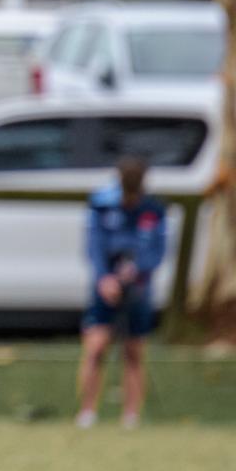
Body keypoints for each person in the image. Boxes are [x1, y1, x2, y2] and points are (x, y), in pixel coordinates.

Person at [75, 156, 167, 430]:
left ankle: (131, 415)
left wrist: (137, 269)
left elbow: (158, 251)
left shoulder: (154, 210)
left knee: (134, 351)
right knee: (96, 347)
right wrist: (105, 278)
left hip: (138, 289)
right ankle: (87, 412)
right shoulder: (102, 205)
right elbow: (94, 246)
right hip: (105, 287)